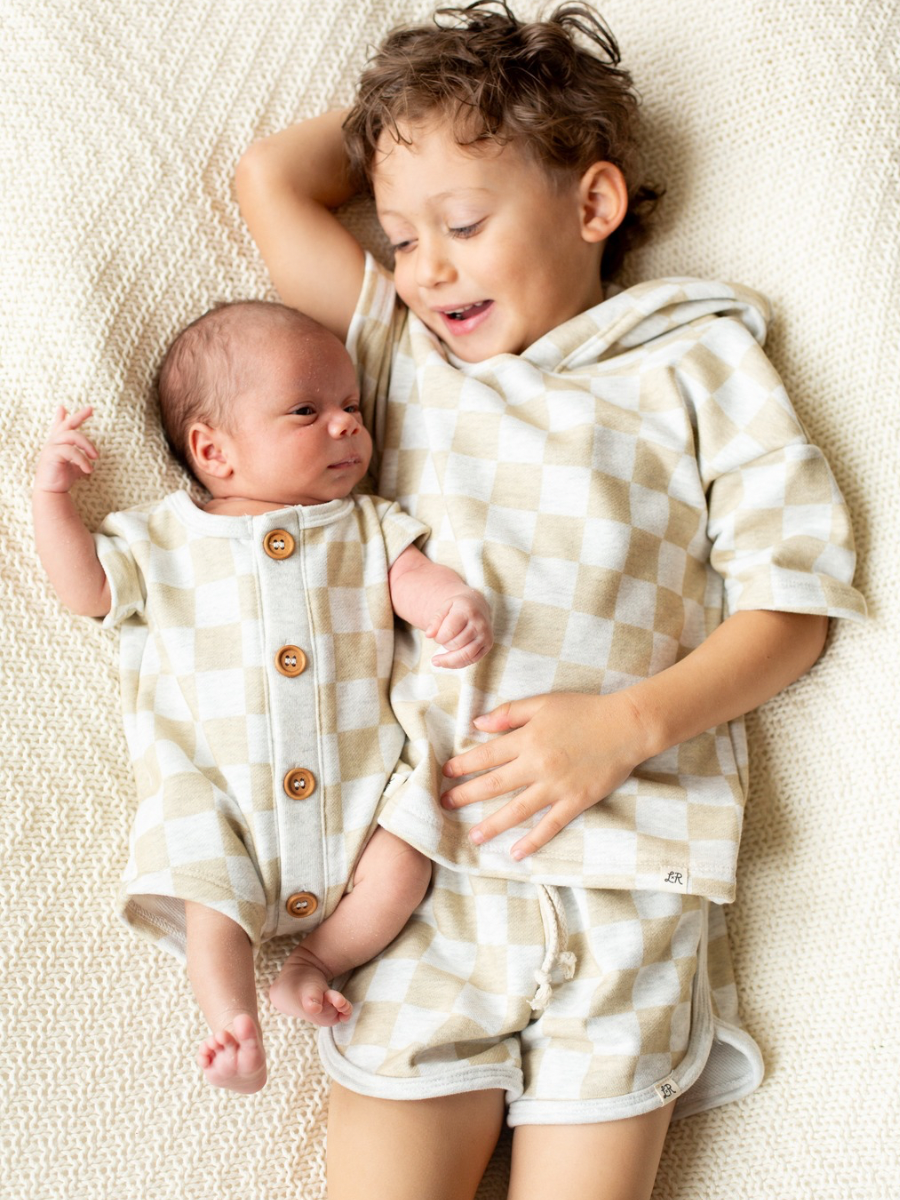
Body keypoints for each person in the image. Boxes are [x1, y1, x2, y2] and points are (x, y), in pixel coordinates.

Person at [237, 3, 869, 1196]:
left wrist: (625, 727)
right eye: (400, 234)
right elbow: (270, 179)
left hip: (631, 888)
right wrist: (414, 117)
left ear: (594, 204)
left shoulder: (699, 361)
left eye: (465, 224)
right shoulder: (404, 364)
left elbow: (793, 605)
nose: (427, 266)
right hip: (427, 881)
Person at [31, 299, 493, 1095]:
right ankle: (231, 1020)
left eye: (352, 407)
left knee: (412, 844)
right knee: (205, 888)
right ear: (214, 450)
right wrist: (51, 502)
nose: (346, 425)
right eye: (306, 411)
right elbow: (89, 590)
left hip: (358, 796)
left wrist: (453, 604)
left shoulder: (366, 526)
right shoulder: (164, 538)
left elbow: (414, 580)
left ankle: (317, 961)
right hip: (223, 801)